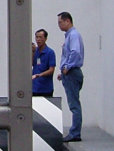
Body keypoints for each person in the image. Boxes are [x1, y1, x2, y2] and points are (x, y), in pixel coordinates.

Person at [56, 11, 84, 141]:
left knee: (74, 105)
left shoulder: (73, 35)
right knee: (73, 103)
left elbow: (75, 52)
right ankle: (74, 132)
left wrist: (67, 67)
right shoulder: (70, 36)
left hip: (72, 73)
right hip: (69, 73)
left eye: (60, 22)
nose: (59, 25)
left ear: (67, 21)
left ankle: (75, 133)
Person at [32, 29, 56, 97]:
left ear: (45, 38)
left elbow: (51, 70)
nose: (38, 39)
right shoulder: (35, 51)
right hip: (34, 87)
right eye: (37, 37)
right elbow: (30, 64)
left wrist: (40, 75)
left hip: (46, 88)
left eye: (40, 37)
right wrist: (32, 52)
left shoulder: (50, 52)